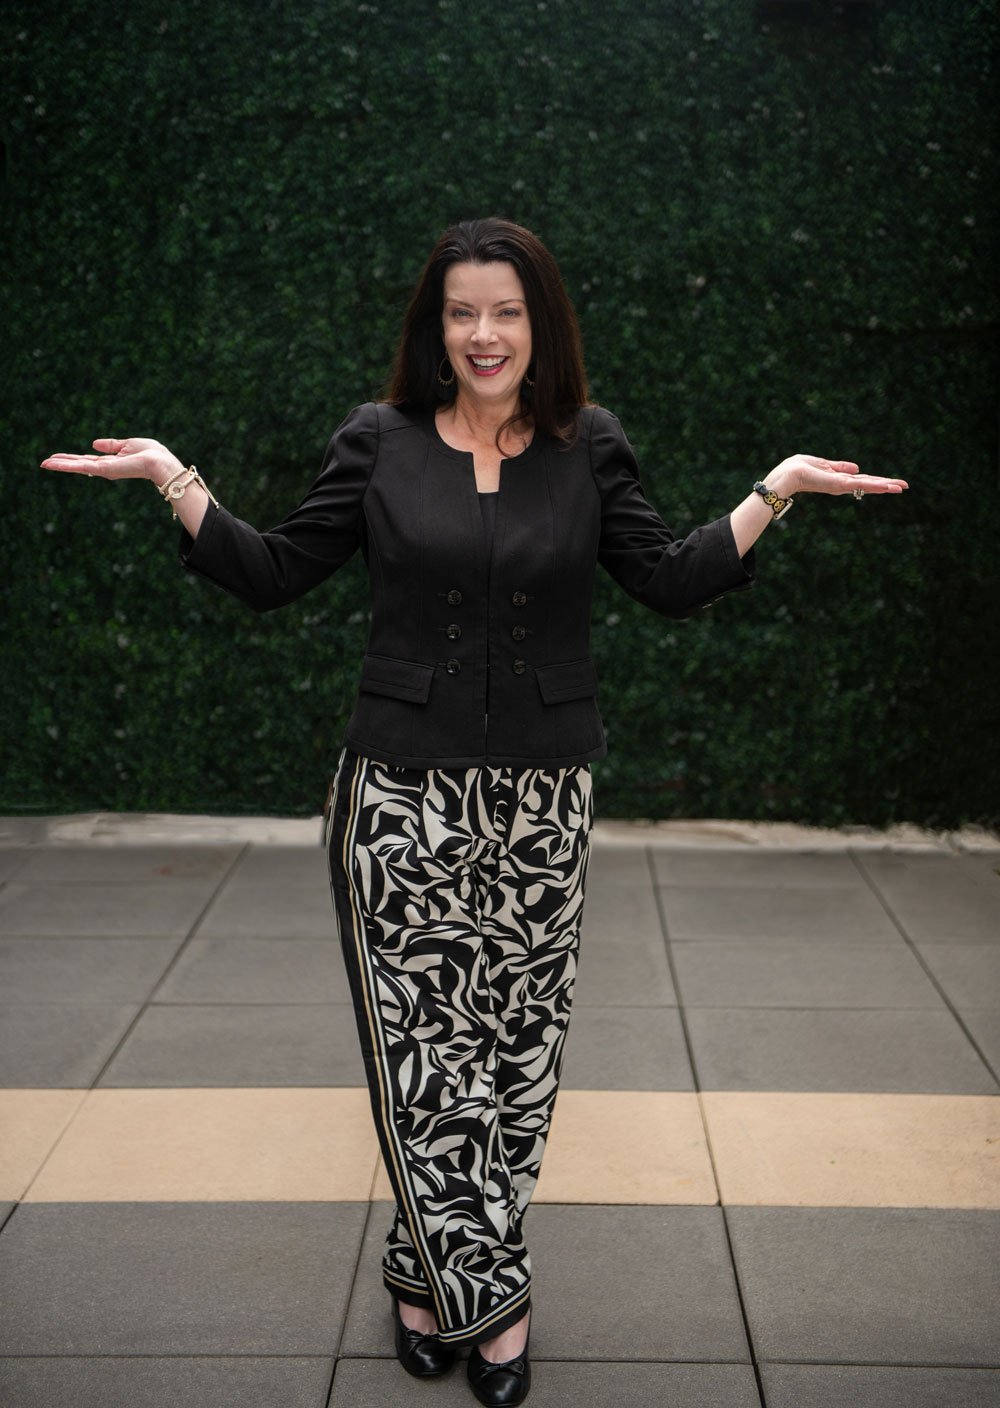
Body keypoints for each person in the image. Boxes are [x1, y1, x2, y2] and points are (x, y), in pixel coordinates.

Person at [40, 215, 908, 1405]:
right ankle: (496, 1307)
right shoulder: (377, 440)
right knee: (423, 1059)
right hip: (398, 795)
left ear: (540, 323)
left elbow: (666, 579)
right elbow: (274, 570)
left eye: (506, 310)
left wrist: (776, 492)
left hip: (547, 795)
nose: (484, 333)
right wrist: (173, 479)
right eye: (461, 312)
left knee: (516, 1058)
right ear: (433, 328)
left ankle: (419, 1267)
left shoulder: (588, 445)